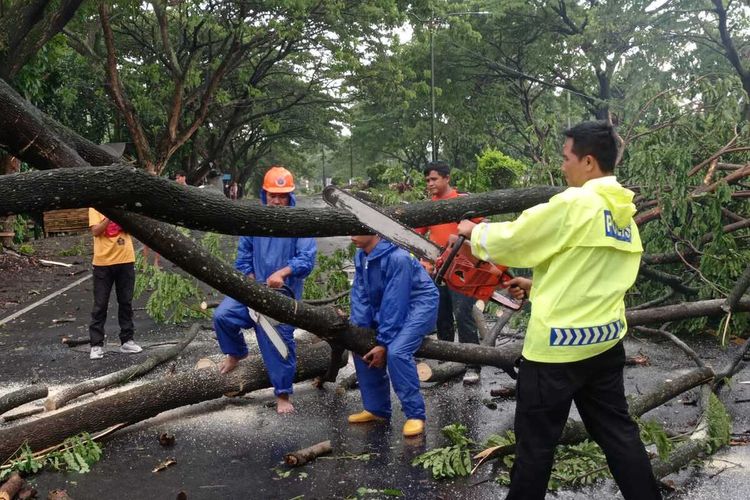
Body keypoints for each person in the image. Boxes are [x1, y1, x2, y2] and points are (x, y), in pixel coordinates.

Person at [457, 121, 660, 500]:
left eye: (566, 158)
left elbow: (517, 239)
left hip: (555, 352)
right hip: (603, 344)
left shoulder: (575, 203)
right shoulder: (622, 216)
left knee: (535, 448)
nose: (562, 166)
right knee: (619, 436)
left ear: (587, 162)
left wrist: (473, 232)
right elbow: (593, 274)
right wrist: (537, 286)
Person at [212, 166, 316, 414]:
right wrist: (249, 280)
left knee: (278, 344)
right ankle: (236, 353)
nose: (278, 201)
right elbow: (243, 256)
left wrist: (283, 273)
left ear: (290, 196)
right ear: (265, 194)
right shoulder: (255, 221)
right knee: (222, 316)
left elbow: (306, 259)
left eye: (282, 196)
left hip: (283, 295)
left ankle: (283, 395)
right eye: (273, 195)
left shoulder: (300, 223)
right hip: (253, 290)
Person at [347, 233, 439, 437]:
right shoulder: (361, 255)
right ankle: (376, 409)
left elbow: (395, 302)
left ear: (373, 231)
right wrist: (360, 331)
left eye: (356, 231)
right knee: (360, 345)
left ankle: (415, 414)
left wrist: (383, 343)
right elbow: (360, 295)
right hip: (388, 306)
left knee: (397, 352)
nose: (350, 236)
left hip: (418, 306)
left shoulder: (399, 257)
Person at [415, 160, 482, 384]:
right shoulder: (429, 206)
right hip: (438, 269)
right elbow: (416, 234)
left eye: (434, 179)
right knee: (442, 316)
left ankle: (472, 364)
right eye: (427, 180)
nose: (430, 184)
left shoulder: (462, 202)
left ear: (446, 178)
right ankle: (448, 361)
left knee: (463, 314)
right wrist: (422, 258)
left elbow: (481, 230)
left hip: (464, 269)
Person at [88, 209, 142, 360]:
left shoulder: (123, 205)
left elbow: (135, 227)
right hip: (103, 262)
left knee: (126, 302)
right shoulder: (95, 207)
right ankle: (96, 345)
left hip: (125, 259)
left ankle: (127, 340)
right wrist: (110, 216)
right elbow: (95, 231)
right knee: (100, 304)